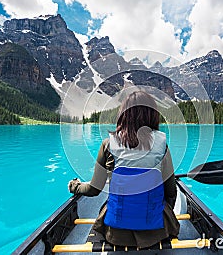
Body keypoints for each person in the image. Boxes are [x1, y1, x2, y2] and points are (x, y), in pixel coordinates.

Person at [68, 91, 180, 248]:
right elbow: (171, 192)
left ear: (123, 115)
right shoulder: (162, 145)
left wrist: (76, 186)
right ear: (152, 115)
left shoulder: (108, 144)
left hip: (115, 233)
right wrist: (163, 215)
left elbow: (94, 190)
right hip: (157, 231)